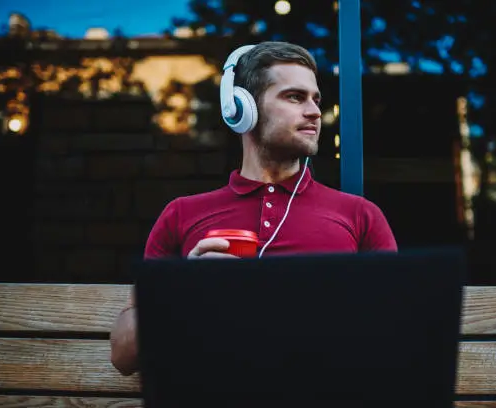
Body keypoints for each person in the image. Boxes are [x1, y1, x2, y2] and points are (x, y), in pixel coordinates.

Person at [110, 41, 398, 376]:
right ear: (241, 108)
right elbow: (123, 356)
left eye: (316, 99)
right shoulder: (181, 214)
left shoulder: (360, 215)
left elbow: (396, 338)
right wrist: (181, 289)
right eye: (294, 97)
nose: (315, 112)